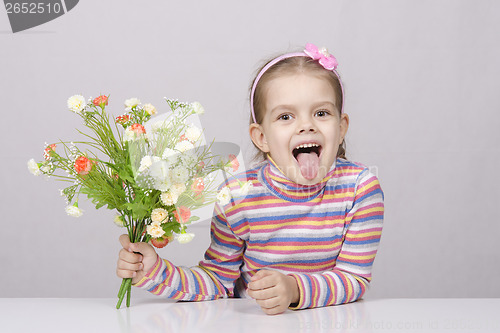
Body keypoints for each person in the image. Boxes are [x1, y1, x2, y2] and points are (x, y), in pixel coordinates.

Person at [116, 43, 384, 315]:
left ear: (341, 128)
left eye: (322, 113)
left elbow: (354, 278)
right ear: (261, 137)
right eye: (286, 116)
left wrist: (294, 290)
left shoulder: (360, 189)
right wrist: (156, 271)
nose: (307, 125)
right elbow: (217, 280)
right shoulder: (237, 195)